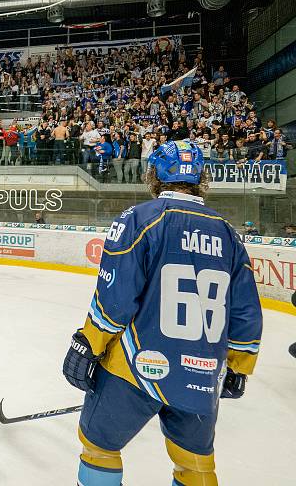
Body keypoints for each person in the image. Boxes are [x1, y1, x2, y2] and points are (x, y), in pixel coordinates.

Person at [62, 139, 263, 486]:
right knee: (196, 467)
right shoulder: (231, 236)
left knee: (99, 448)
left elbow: (115, 302)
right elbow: (246, 317)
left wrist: (88, 344)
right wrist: (238, 367)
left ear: (153, 175)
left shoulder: (139, 219)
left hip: (136, 368)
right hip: (201, 375)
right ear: (202, 178)